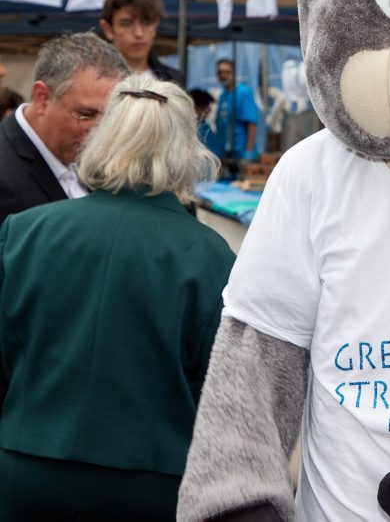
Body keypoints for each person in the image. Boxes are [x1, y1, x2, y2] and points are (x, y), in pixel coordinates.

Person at [0, 75, 235, 521]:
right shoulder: (208, 256)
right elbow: (219, 394)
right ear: (188, 149)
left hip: (26, 466)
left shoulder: (24, 233)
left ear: (103, 140)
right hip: (153, 479)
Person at [0, 33, 127, 225]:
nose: (99, 132)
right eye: (87, 114)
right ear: (42, 98)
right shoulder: (6, 172)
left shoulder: (104, 163)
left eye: (110, 117)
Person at [99, 0, 184, 85]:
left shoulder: (174, 79)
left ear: (155, 25)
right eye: (126, 24)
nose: (138, 33)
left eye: (147, 22)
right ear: (108, 29)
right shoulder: (95, 79)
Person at [213, 58, 259, 163]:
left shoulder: (243, 92)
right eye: (220, 72)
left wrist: (249, 151)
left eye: (227, 72)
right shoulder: (223, 95)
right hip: (226, 153)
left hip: (242, 154)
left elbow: (251, 123)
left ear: (234, 73)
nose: (223, 75)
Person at [188, 87, 221, 157]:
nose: (206, 112)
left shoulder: (204, 126)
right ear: (194, 108)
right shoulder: (192, 128)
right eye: (203, 108)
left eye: (208, 109)